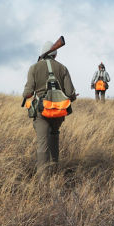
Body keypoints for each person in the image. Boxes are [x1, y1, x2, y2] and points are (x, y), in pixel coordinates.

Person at [22, 41, 76, 176]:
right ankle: (55, 172)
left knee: (43, 145)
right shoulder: (63, 68)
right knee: (54, 138)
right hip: (58, 112)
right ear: (55, 54)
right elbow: (70, 94)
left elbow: (27, 93)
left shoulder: (34, 68)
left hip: (42, 111)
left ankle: (43, 182)